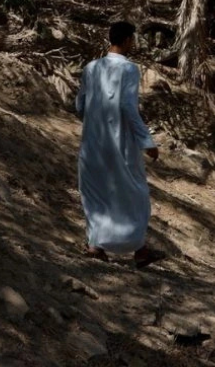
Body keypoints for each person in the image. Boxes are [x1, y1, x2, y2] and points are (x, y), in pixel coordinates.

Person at [75, 21, 163, 268]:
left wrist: (94, 121)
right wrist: (147, 141)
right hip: (120, 143)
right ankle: (140, 250)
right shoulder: (129, 69)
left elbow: (80, 105)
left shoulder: (91, 68)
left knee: (95, 193)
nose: (133, 44)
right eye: (132, 39)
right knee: (134, 193)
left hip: (92, 143)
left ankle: (95, 246)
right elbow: (127, 106)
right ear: (126, 40)